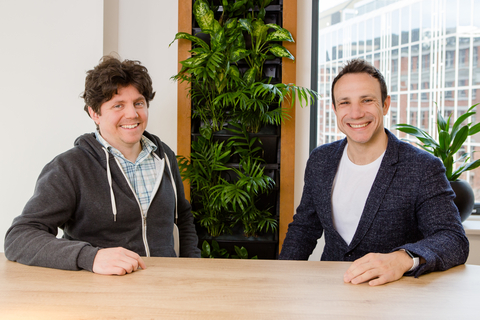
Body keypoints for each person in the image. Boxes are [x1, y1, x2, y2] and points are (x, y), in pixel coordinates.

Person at [279, 58, 469, 286]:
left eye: (367, 100)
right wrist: (279, 280)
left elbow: (453, 239)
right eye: (345, 103)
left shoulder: (422, 167)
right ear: (335, 109)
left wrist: (402, 258)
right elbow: (304, 229)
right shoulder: (321, 160)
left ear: (385, 104)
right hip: (331, 293)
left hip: (395, 299)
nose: (356, 113)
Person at [4, 56, 201, 275]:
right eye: (118, 105)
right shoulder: (70, 167)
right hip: (98, 295)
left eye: (139, 103)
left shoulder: (164, 156)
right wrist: (91, 256)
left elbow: (182, 218)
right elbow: (19, 237)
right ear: (94, 113)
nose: (132, 114)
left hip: (163, 287)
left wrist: (191, 267)